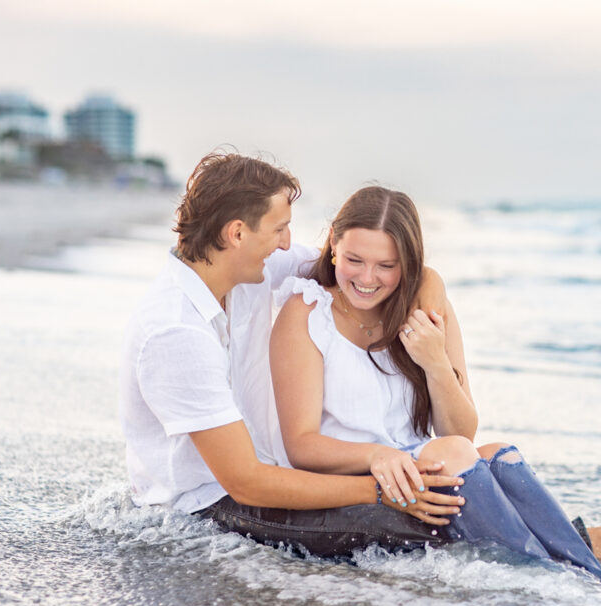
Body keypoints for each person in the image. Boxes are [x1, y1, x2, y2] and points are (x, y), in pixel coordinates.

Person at [270, 186, 601, 586]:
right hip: (357, 479)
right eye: (355, 260)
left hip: (422, 464)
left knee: (496, 453)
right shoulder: (306, 312)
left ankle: (593, 582)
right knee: (455, 453)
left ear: (406, 264)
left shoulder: (419, 305)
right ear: (334, 246)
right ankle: (570, 586)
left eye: (386, 266)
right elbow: (301, 445)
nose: (368, 278)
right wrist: (378, 456)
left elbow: (460, 430)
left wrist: (434, 361)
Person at [120, 152, 468, 557]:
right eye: (280, 228)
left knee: (476, 477)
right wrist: (381, 489)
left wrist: (427, 298)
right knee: (414, 527)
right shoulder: (175, 332)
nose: (287, 241)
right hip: (206, 503)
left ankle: (555, 546)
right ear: (237, 234)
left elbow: (367, 268)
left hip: (267, 477)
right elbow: (246, 483)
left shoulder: (252, 269)